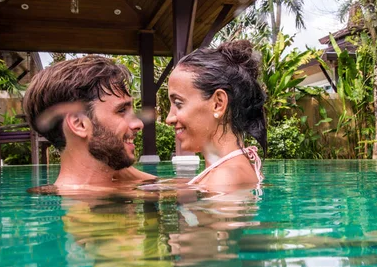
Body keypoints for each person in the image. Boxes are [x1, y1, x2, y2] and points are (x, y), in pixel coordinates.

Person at [23, 55, 154, 193]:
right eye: (121, 110)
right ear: (79, 124)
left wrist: (133, 175)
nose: (138, 124)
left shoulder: (108, 190)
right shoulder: (90, 207)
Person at [166, 40, 267, 190]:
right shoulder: (231, 171)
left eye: (179, 103)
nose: (169, 119)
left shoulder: (224, 179)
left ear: (218, 104)